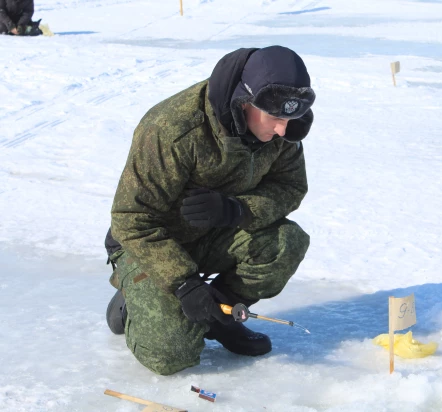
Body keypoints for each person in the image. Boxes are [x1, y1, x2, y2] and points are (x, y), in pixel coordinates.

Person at [104, 46, 315, 376]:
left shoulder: (281, 125)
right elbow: (132, 219)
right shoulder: (173, 129)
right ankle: (131, 303)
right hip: (149, 244)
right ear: (245, 101)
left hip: (214, 233)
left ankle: (221, 315)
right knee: (172, 355)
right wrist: (184, 283)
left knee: (286, 243)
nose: (283, 131)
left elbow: (290, 188)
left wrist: (237, 210)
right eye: (275, 119)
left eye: (289, 119)